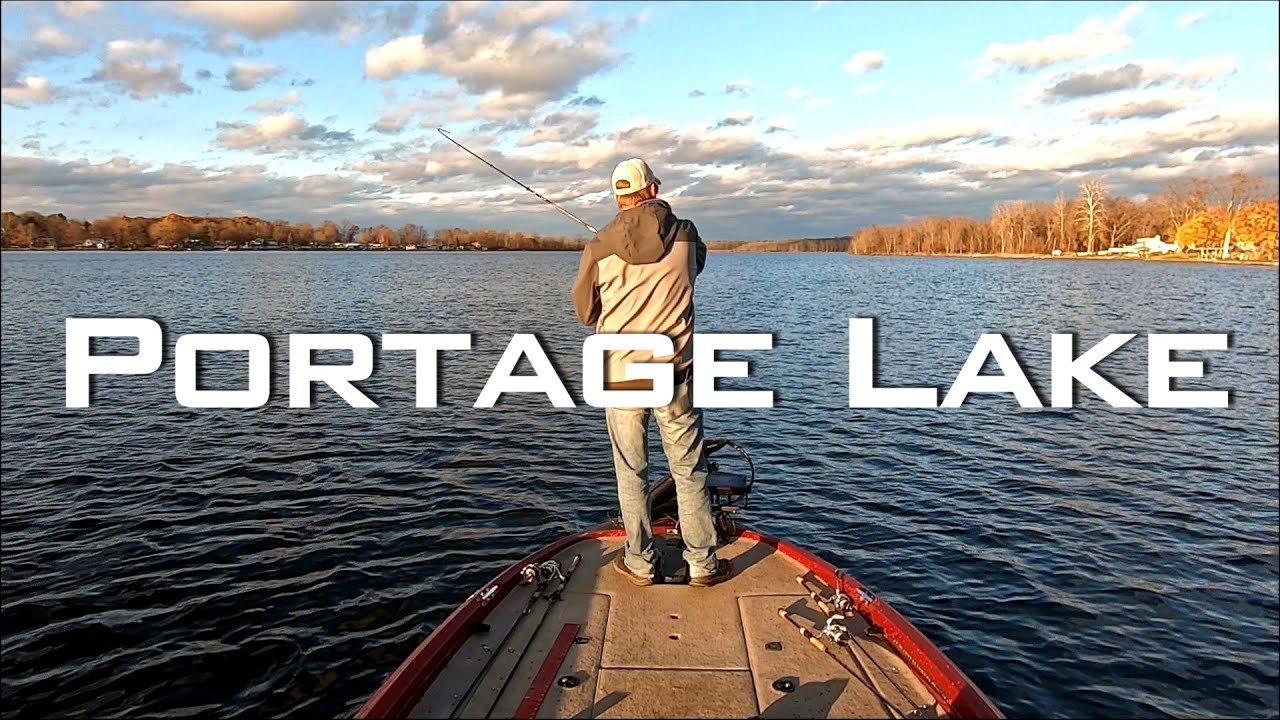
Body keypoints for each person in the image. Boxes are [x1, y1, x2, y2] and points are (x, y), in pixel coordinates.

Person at [571, 158, 732, 588]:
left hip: (621, 375)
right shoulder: (687, 233)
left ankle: (640, 564)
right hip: (675, 373)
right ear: (654, 188)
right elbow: (695, 265)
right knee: (689, 469)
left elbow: (586, 312)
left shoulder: (599, 246)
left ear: (618, 197)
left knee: (631, 472)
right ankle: (702, 564)